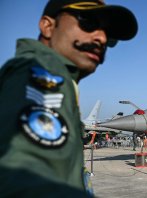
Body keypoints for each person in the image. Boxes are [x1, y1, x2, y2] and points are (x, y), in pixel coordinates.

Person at [0, 0, 137, 197]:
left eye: (109, 34)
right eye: (88, 22)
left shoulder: (54, 79)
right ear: (48, 26)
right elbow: (29, 180)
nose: (102, 38)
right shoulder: (41, 75)